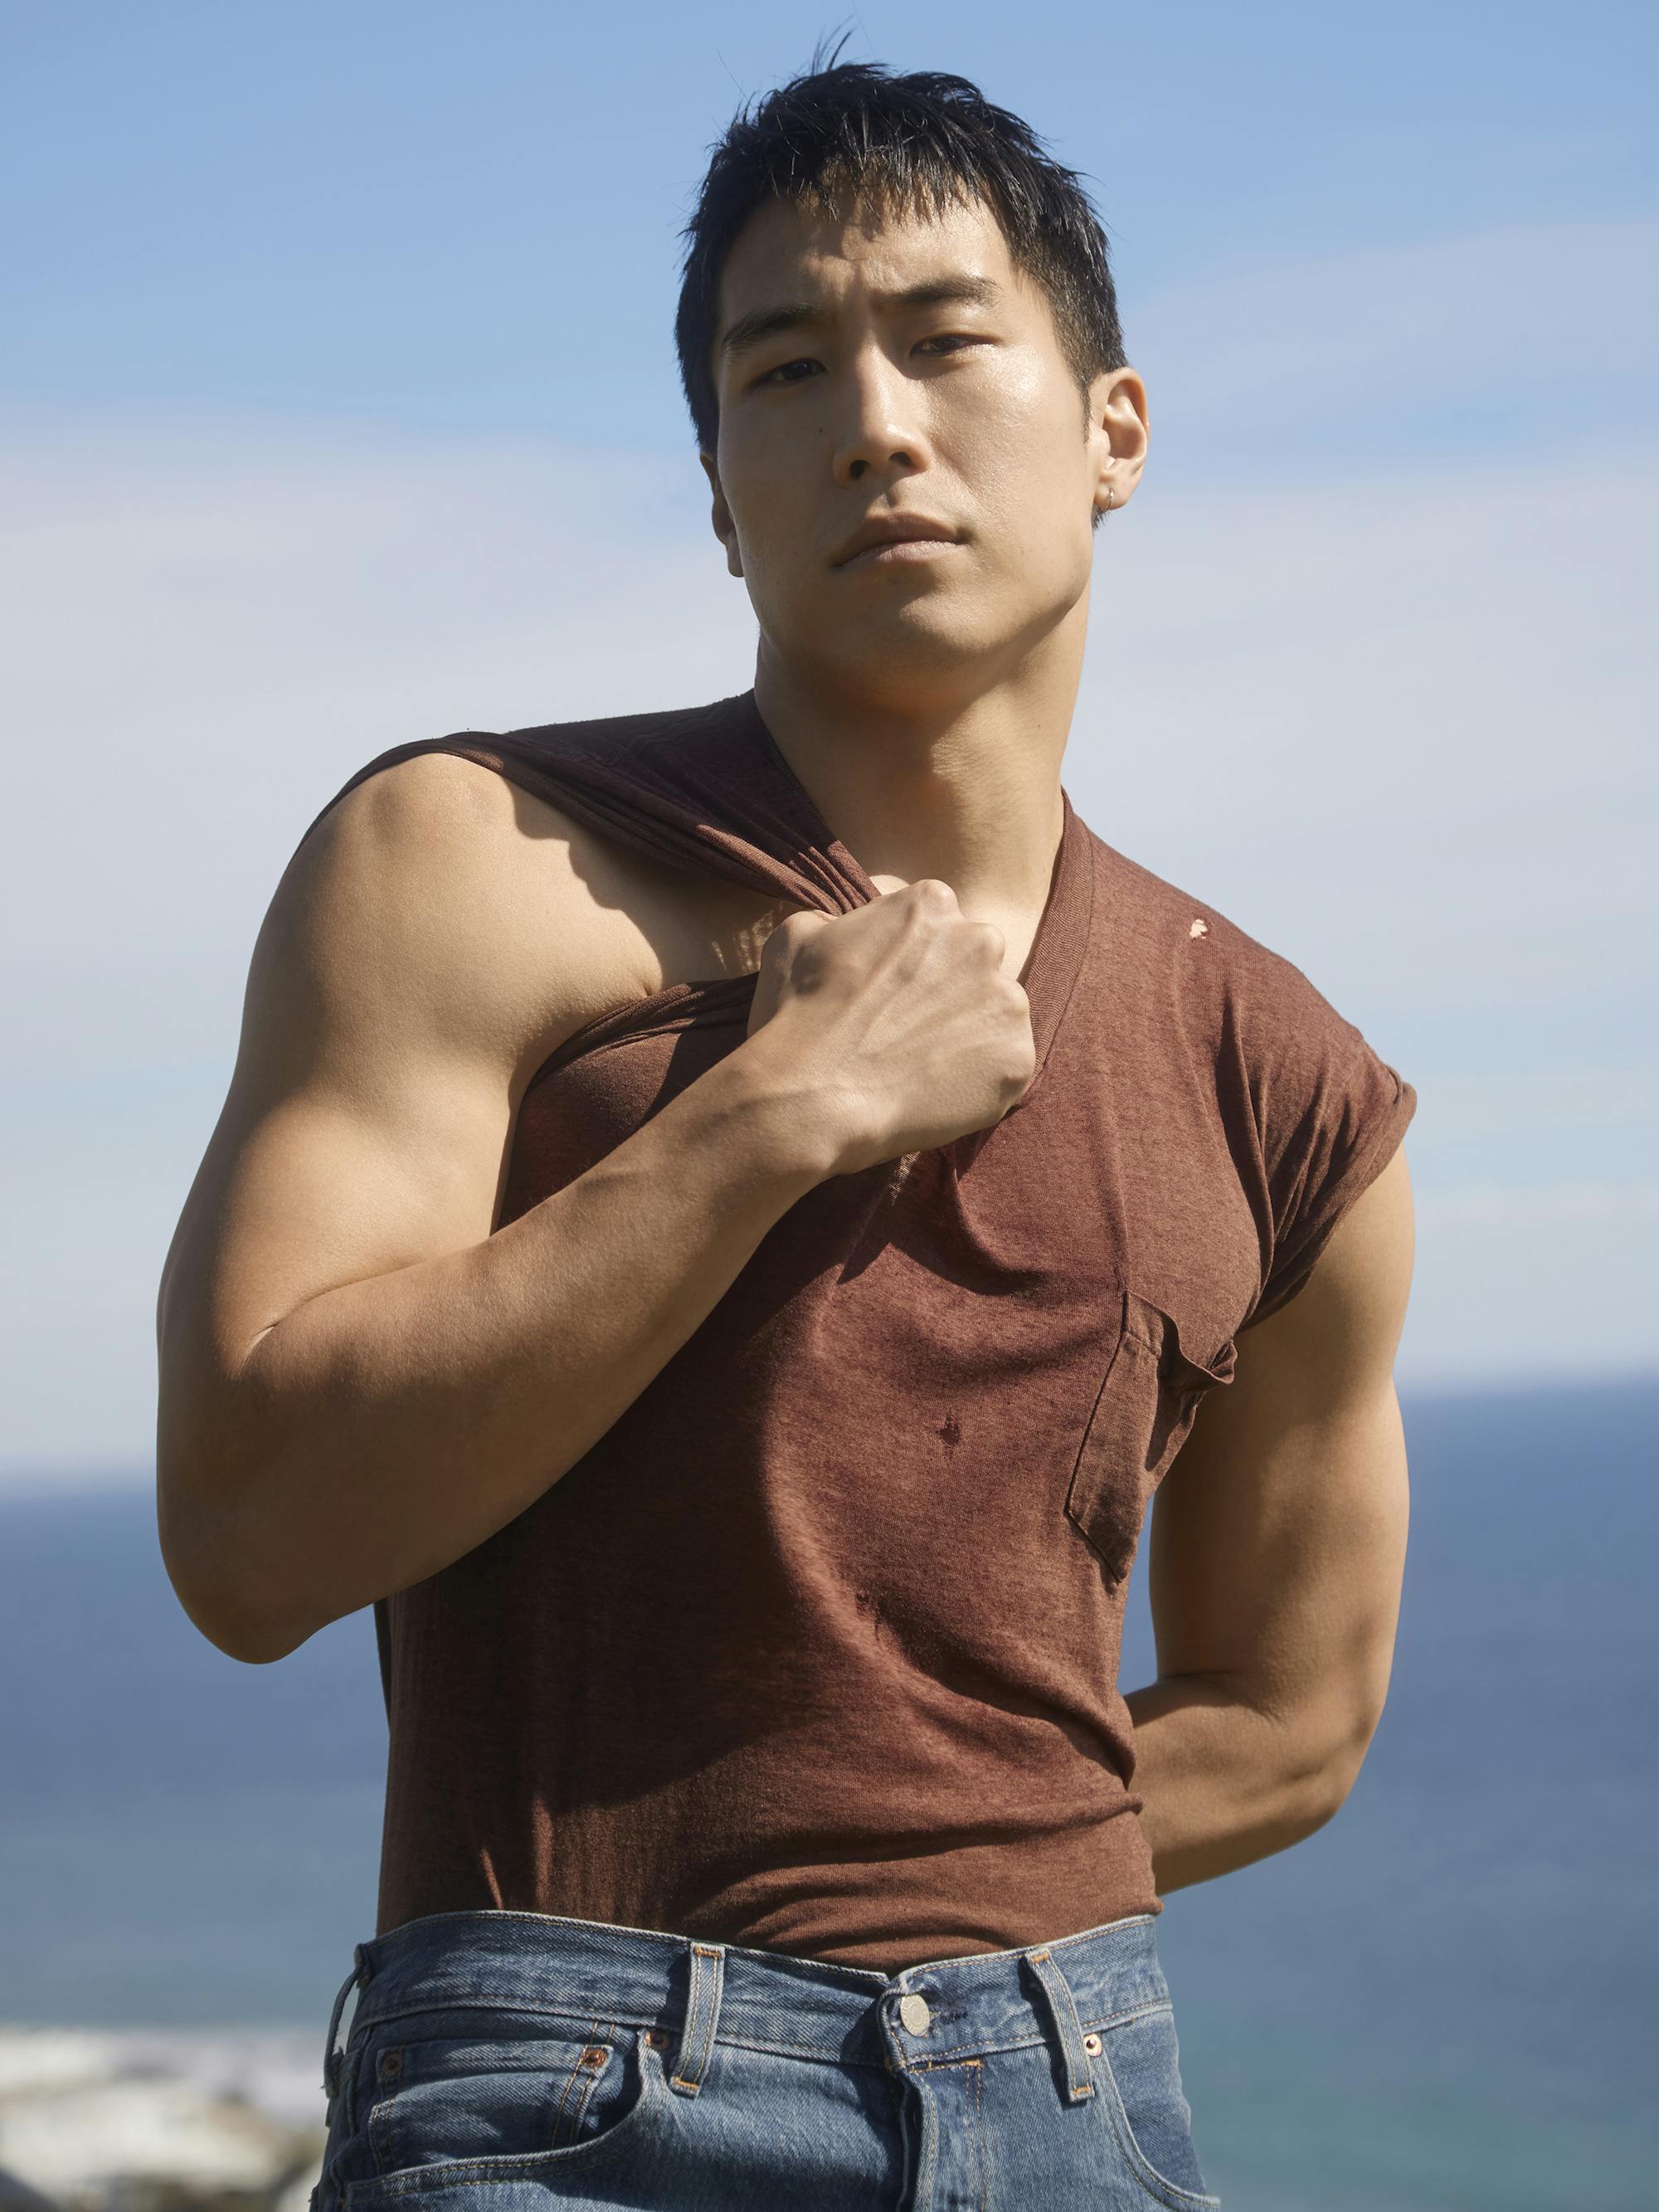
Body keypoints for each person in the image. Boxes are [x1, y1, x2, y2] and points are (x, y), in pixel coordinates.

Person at [155, 44, 1417, 2212]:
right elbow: (251, 1529)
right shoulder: (477, 859)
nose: (875, 421)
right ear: (722, 486)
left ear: (1115, 427)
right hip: (566, 2100)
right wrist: (769, 1115)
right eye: (784, 370)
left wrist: (952, 1894)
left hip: (1074, 2089)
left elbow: (1293, 1715)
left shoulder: (1283, 1075)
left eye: (945, 340)